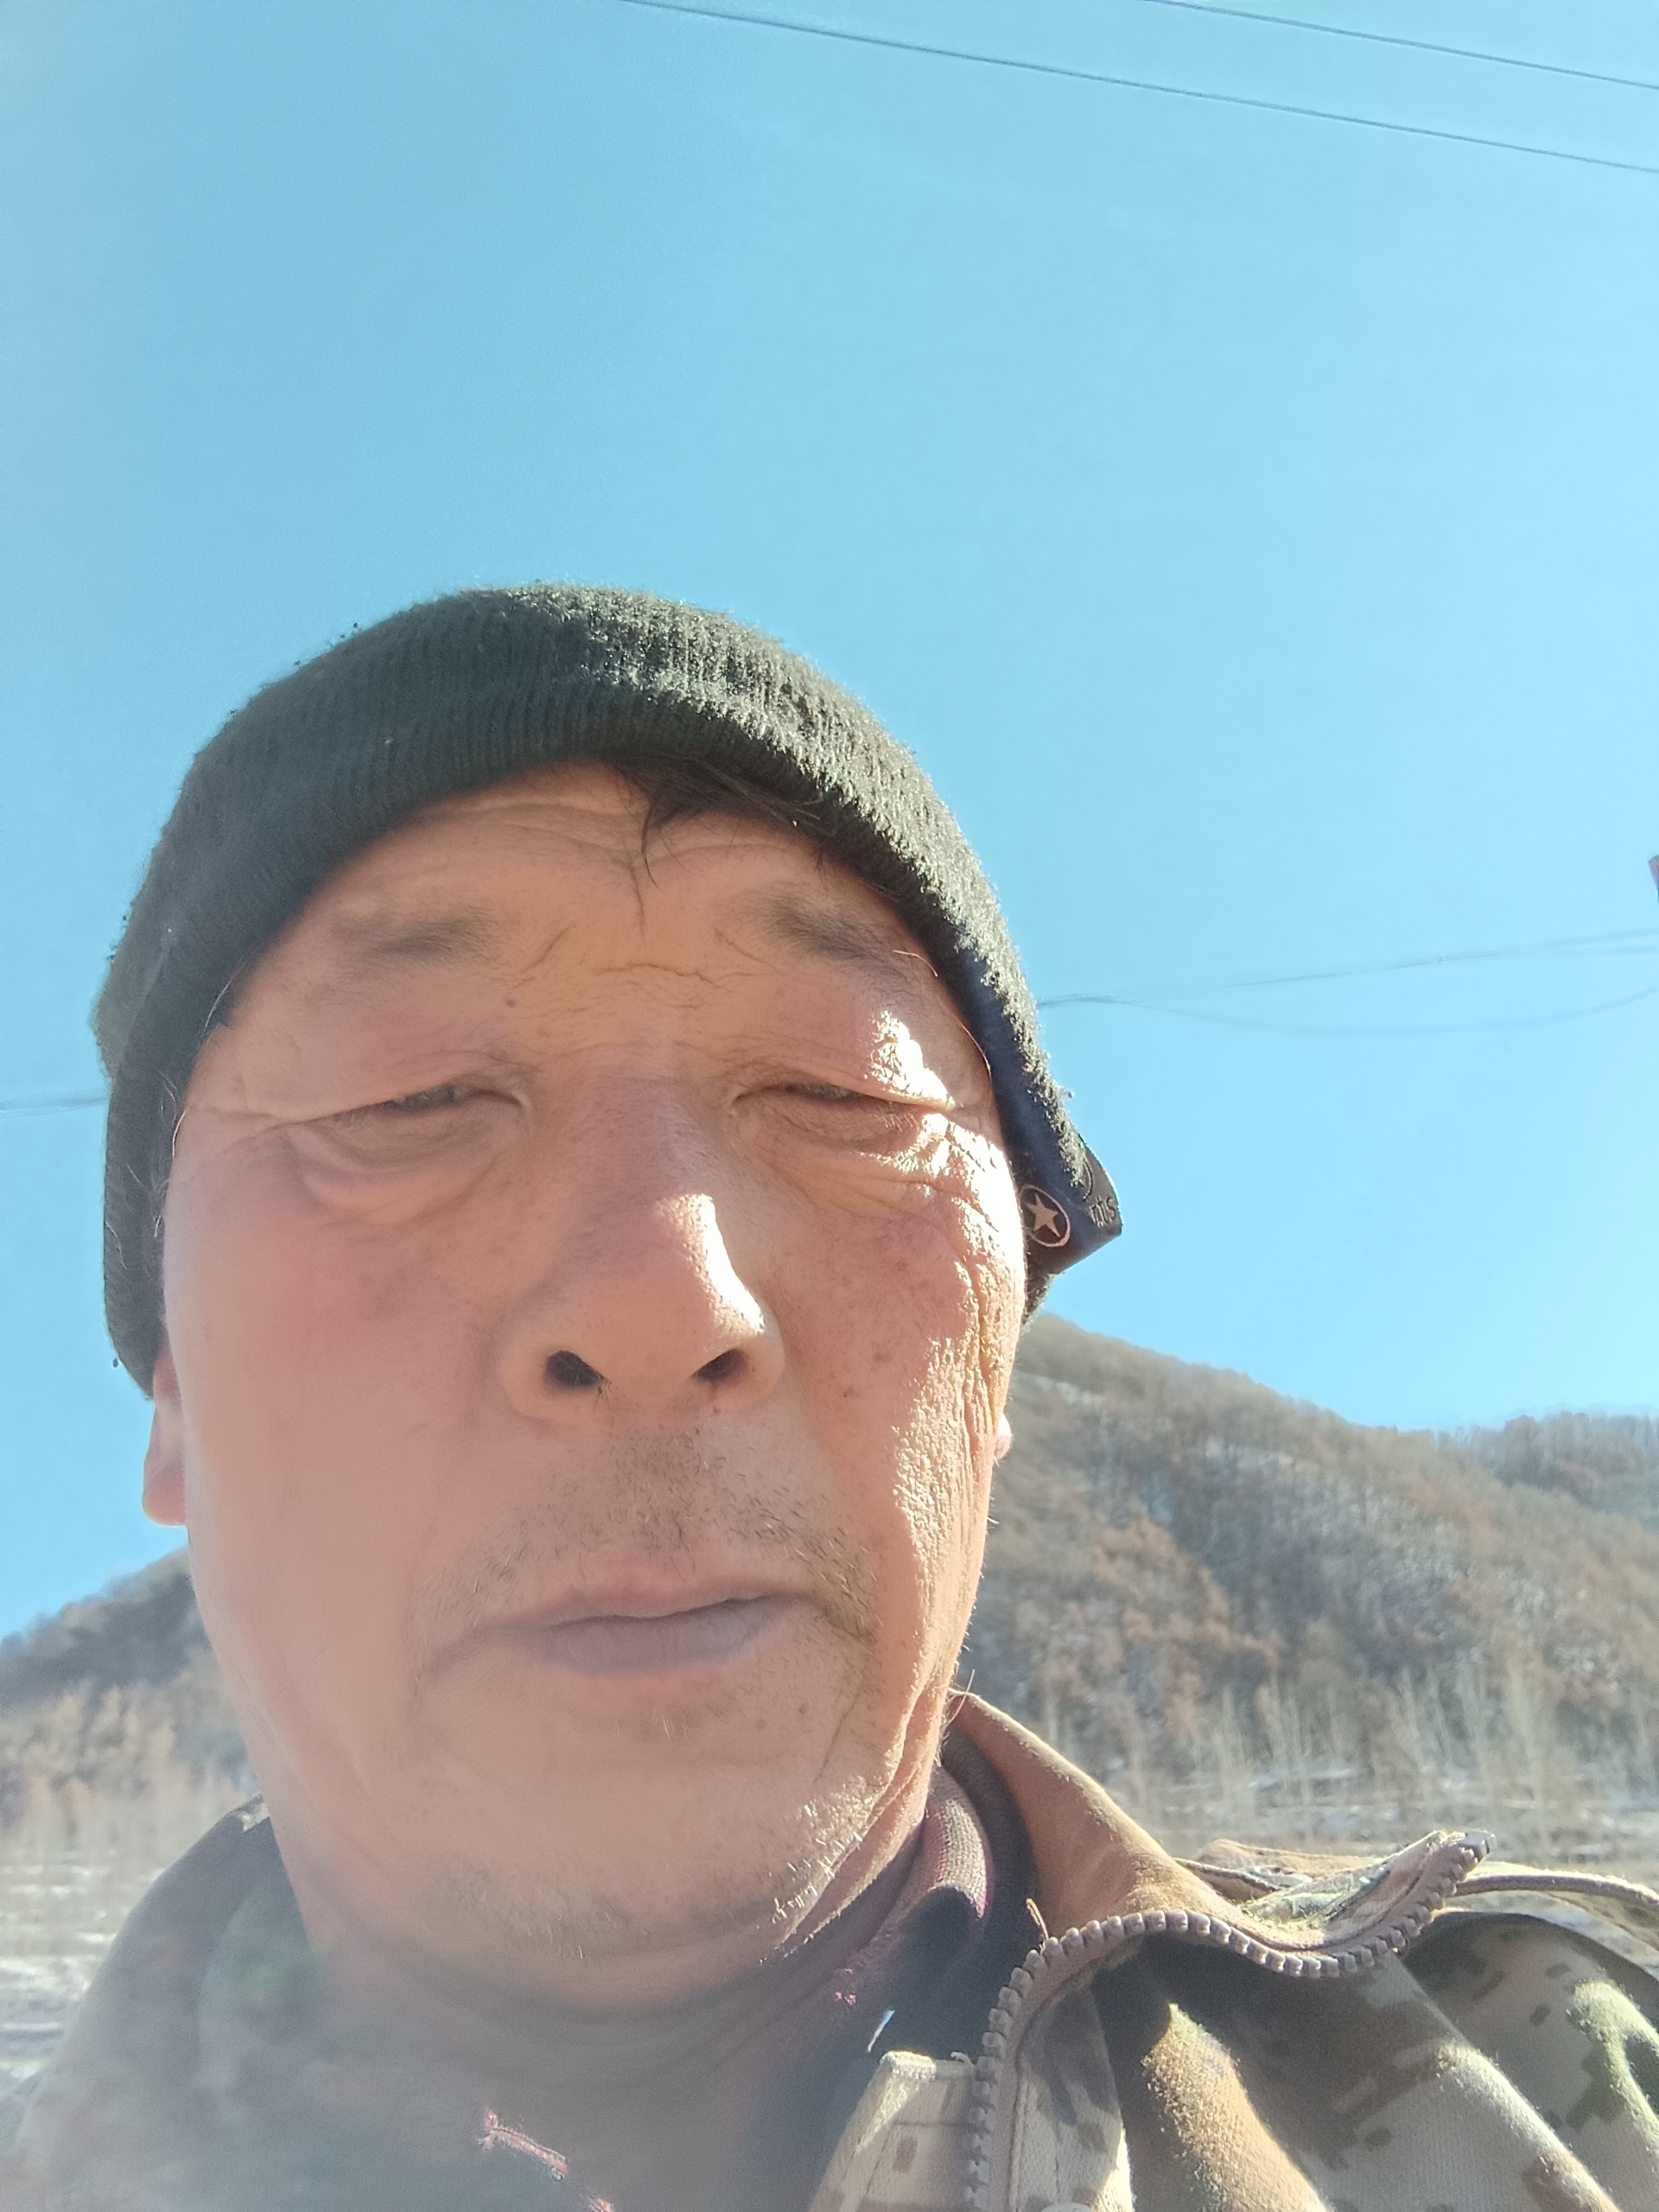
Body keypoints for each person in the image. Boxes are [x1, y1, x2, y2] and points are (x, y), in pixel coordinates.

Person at [6, 587, 1657, 2212]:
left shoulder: (1580, 2084)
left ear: (998, 1361)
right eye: (410, 1095)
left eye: (843, 1091)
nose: (664, 1301)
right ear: (172, 1398)